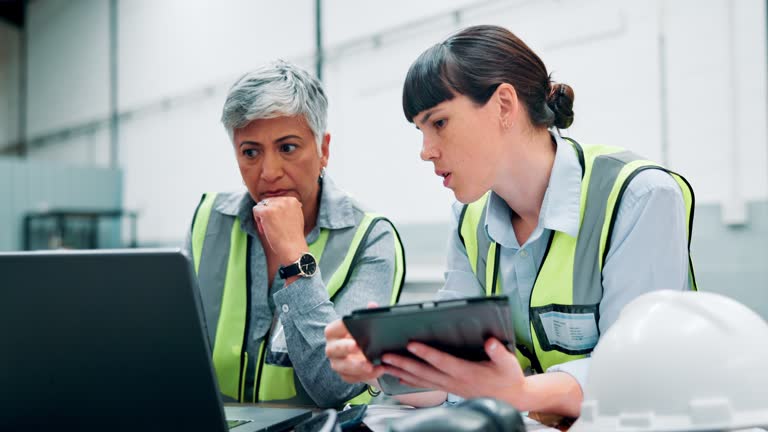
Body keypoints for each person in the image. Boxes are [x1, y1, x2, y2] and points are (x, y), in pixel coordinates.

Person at [325, 25, 696, 417]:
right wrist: (382, 365)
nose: (425, 151)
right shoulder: (469, 221)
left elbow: (637, 375)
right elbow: (457, 377)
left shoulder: (638, 196)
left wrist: (519, 392)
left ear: (504, 104)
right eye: (420, 130)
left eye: (438, 123)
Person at [185, 60, 405, 408]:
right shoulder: (208, 222)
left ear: (324, 151)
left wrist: (295, 262)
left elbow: (336, 386)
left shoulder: (370, 237)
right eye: (250, 152)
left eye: (287, 148)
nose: (269, 172)